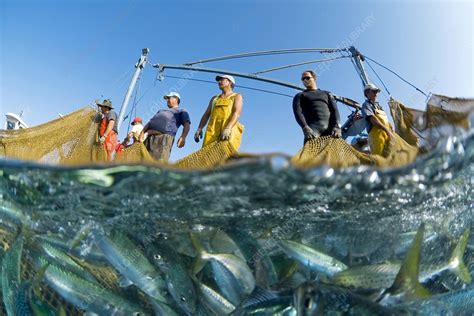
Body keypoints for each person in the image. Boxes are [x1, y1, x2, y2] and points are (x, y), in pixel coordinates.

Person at [194, 74, 244, 151]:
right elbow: (206, 115)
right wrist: (199, 128)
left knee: (225, 157)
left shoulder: (237, 96)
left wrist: (228, 128)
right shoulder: (215, 99)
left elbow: (236, 113)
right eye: (219, 80)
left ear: (229, 82)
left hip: (227, 131)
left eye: (222, 80)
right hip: (212, 131)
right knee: (207, 156)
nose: (219, 82)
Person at [139, 92, 190, 162]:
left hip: (163, 140)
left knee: (156, 164)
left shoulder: (181, 111)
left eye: (169, 98)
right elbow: (150, 122)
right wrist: (142, 133)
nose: (167, 100)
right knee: (141, 161)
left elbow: (187, 124)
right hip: (149, 138)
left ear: (176, 99)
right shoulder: (161, 110)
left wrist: (183, 137)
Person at [292, 70, 342, 143]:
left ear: (314, 78)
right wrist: (305, 128)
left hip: (332, 131)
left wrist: (337, 126)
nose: (305, 80)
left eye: (307, 78)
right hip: (313, 131)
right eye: (303, 79)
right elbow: (297, 112)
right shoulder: (299, 96)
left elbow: (334, 110)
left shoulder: (327, 93)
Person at [361, 83, 394, 155]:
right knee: (381, 160)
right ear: (367, 92)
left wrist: (390, 129)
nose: (376, 93)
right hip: (376, 139)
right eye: (374, 91)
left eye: (376, 92)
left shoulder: (378, 106)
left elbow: (386, 121)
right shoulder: (366, 105)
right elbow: (372, 119)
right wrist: (386, 130)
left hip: (387, 135)